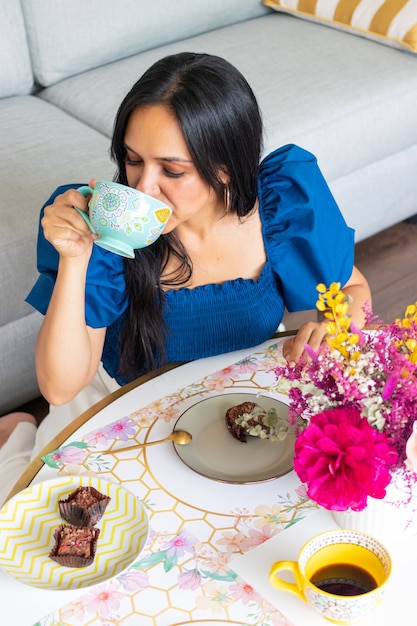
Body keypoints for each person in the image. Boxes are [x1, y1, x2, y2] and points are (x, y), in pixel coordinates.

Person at [0, 52, 370, 505]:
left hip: (236, 404)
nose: (142, 187)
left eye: (172, 170)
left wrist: (335, 325)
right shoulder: (107, 225)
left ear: (226, 167)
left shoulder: (280, 205)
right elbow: (58, 386)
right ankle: (16, 437)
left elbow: (351, 289)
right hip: (121, 407)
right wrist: (76, 258)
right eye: (133, 160)